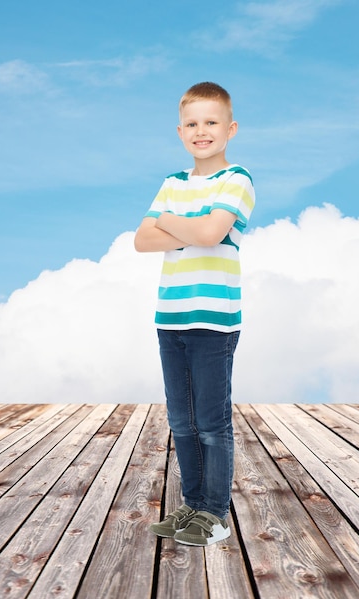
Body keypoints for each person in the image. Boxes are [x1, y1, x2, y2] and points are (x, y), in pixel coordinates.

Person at [134, 82, 255, 547]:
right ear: (180, 130)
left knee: (211, 421)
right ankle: (192, 505)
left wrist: (168, 222)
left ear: (230, 128)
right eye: (192, 123)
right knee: (181, 421)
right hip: (170, 316)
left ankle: (216, 514)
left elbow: (211, 233)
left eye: (211, 122)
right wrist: (191, 227)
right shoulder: (172, 183)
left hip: (214, 320)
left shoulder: (237, 180)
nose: (201, 131)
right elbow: (141, 241)